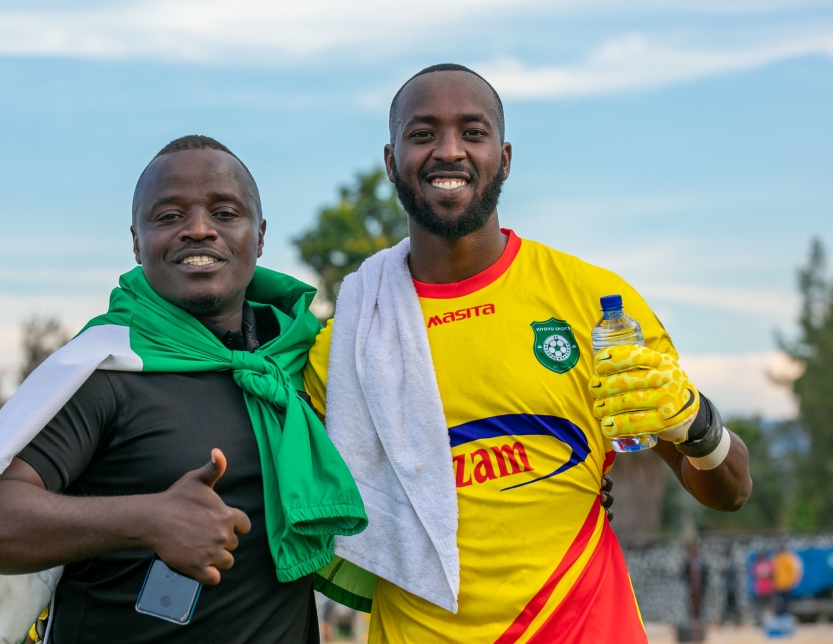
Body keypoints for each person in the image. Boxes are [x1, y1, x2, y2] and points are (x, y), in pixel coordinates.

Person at [306, 64, 753, 643]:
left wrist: (696, 421)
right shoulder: (348, 341)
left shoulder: (595, 306)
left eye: (473, 131)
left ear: (505, 157)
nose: (448, 151)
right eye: (422, 134)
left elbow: (731, 491)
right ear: (392, 161)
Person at [0, 135, 366, 643]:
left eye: (225, 213)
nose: (199, 230)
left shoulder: (295, 362)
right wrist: (146, 519)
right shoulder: (106, 369)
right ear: (137, 241)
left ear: (260, 235)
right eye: (169, 216)